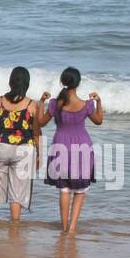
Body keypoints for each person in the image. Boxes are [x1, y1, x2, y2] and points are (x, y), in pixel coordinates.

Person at [37, 67, 103, 234]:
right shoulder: (86, 105)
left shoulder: (54, 104)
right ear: (78, 83)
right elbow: (99, 121)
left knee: (64, 189)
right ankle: (72, 228)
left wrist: (41, 102)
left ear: (63, 81)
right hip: (82, 147)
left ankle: (64, 227)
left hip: (60, 145)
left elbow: (40, 122)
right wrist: (99, 102)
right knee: (80, 191)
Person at [0, 66, 39, 221]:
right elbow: (36, 133)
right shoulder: (32, 105)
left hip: (0, 146)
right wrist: (39, 154)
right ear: (26, 84)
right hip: (23, 150)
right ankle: (15, 224)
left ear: (10, 82)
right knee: (18, 190)